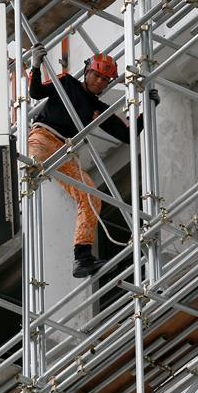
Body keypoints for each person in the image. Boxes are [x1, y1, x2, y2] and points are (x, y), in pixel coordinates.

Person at [27, 45, 159, 278]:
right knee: (31, 165)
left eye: (105, 80)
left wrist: (148, 107)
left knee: (90, 196)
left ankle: (82, 257)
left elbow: (128, 134)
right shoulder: (66, 82)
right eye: (96, 75)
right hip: (43, 138)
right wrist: (35, 66)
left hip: (63, 150)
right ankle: (24, 169)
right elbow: (36, 92)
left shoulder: (97, 108)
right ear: (87, 72)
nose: (99, 82)